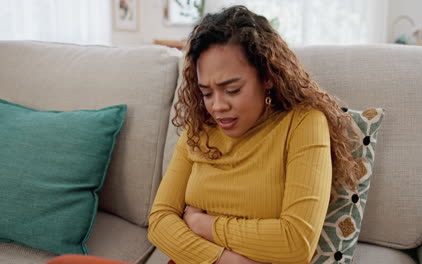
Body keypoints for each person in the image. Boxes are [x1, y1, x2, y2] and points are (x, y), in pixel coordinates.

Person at [48, 5, 359, 264]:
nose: (217, 107)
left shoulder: (304, 124)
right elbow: (160, 220)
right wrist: (224, 258)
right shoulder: (200, 129)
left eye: (232, 89)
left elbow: (297, 242)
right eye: (206, 92)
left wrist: (202, 223)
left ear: (267, 77)